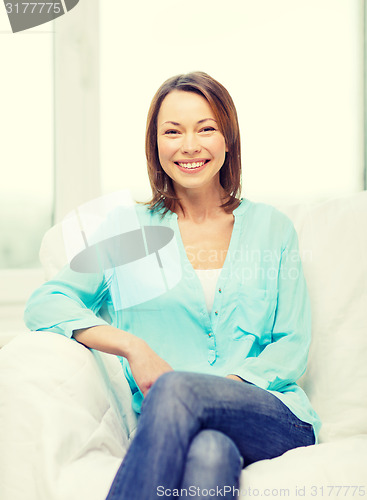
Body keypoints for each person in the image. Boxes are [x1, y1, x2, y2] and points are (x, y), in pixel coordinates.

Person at [24, 71, 321, 499]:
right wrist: (133, 347)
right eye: (172, 131)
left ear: (228, 140)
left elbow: (292, 345)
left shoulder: (273, 230)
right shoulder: (129, 232)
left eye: (206, 129)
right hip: (175, 425)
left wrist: (219, 387)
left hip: (271, 415)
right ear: (155, 144)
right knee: (210, 452)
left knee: (177, 386)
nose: (189, 145)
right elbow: (46, 302)